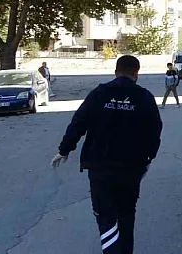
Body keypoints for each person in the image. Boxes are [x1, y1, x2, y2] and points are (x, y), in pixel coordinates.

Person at [51, 55, 163, 254]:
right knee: (127, 214)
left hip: (100, 167)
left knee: (106, 216)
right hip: (131, 168)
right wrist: (148, 158)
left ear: (115, 72)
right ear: (136, 73)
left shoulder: (99, 93)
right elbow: (154, 130)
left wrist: (64, 150)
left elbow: (79, 122)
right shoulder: (144, 97)